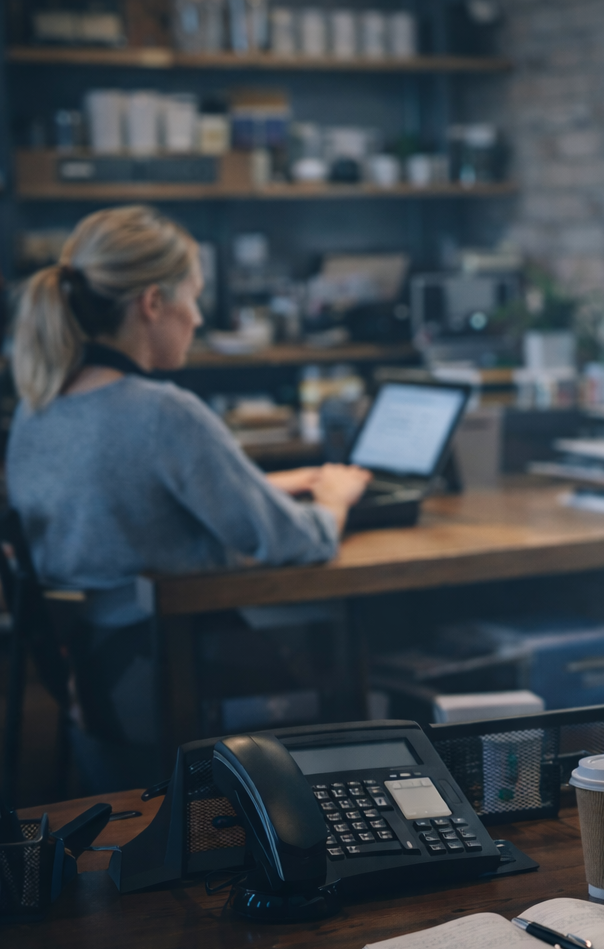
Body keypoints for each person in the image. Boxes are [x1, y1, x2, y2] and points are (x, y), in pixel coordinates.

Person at [6, 205, 372, 788]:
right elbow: (293, 541)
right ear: (153, 303)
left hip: (99, 697)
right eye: (194, 298)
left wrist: (261, 486)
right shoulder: (163, 413)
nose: (198, 318)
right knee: (357, 673)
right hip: (178, 689)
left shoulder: (39, 406)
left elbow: (123, 502)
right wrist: (335, 499)